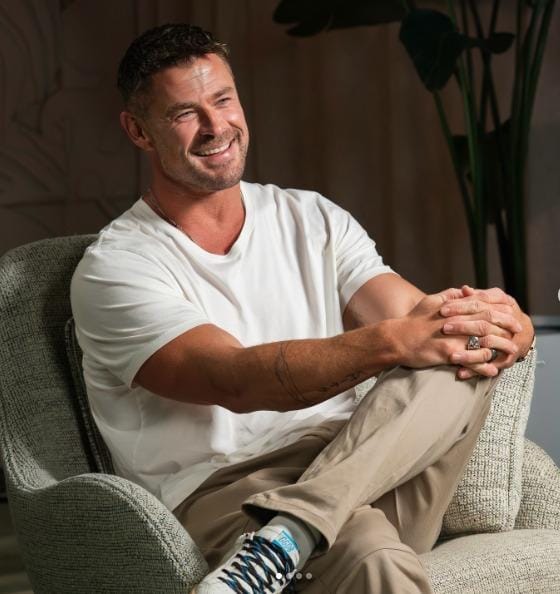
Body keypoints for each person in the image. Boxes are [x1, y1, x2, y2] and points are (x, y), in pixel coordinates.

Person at [70, 23, 534, 594]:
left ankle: (288, 534)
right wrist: (394, 340)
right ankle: (295, 530)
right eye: (185, 114)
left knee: (458, 347)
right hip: (227, 490)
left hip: (364, 463)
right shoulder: (116, 267)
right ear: (138, 131)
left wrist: (509, 325)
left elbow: (423, 317)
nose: (216, 126)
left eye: (224, 100)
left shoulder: (312, 218)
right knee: (369, 553)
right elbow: (235, 379)